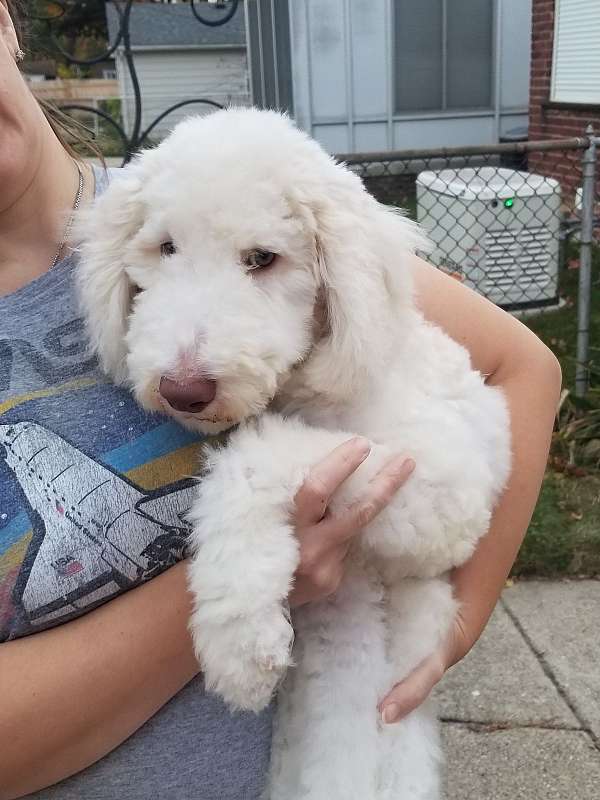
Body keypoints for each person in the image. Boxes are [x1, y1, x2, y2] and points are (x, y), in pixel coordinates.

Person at [0, 3, 561, 798]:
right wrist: (253, 566)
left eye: (260, 259)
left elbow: (522, 367)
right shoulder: (150, 221)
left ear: (5, 20)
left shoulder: (226, 183)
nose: (186, 368)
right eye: (163, 253)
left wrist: (453, 628)